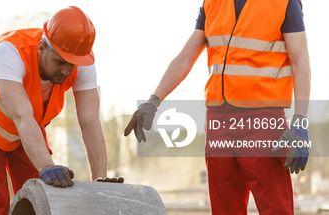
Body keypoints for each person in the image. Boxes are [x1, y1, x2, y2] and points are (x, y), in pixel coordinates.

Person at [123, 0, 310, 214]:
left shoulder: (284, 3)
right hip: (218, 120)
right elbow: (186, 58)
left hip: (262, 120)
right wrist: (153, 101)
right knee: (223, 209)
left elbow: (300, 62)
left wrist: (300, 122)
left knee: (276, 208)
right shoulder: (212, 3)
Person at [0, 6, 119, 215]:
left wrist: (100, 179)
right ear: (42, 47)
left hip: (28, 127)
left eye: (71, 65)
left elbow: (90, 122)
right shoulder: (9, 53)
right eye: (59, 62)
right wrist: (45, 166)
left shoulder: (81, 62)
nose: (66, 71)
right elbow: (20, 115)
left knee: (43, 199)